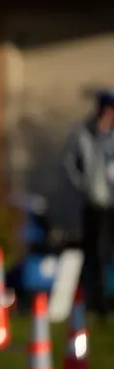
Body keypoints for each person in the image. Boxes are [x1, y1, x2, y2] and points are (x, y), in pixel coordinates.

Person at [63, 90, 114, 319]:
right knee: (96, 253)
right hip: (94, 203)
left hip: (111, 203)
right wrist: (83, 186)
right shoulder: (82, 135)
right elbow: (68, 165)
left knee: (107, 252)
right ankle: (96, 302)